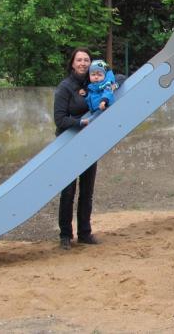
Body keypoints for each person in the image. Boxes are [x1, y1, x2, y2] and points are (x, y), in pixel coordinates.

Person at [53, 47, 101, 250]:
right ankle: (65, 235)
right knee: (68, 191)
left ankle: (84, 233)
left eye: (86, 60)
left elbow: (119, 78)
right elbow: (60, 119)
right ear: (72, 63)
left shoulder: (94, 84)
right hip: (69, 145)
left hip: (89, 144)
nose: (83, 63)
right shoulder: (65, 87)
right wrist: (80, 123)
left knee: (87, 191)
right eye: (79, 60)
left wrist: (112, 77)